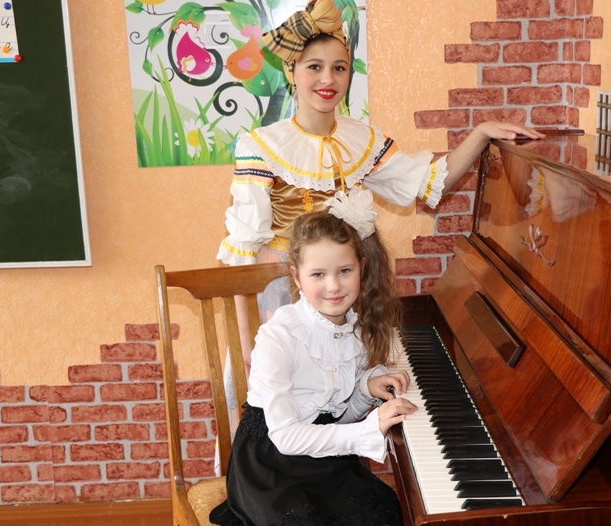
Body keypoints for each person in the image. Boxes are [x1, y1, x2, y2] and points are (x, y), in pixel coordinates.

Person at [216, 0, 545, 380]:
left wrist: (481, 133)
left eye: (339, 68)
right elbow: (241, 254)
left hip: (348, 291)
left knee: (352, 391)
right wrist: (246, 342)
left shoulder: (362, 139)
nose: (328, 79)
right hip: (284, 295)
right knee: (291, 401)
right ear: (291, 71)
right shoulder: (262, 146)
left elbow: (428, 182)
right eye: (314, 67)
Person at [210, 197, 418, 526]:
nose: (333, 286)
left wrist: (364, 390)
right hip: (270, 463)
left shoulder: (354, 330)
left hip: (321, 457)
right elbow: (286, 437)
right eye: (318, 274)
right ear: (297, 276)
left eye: (344, 271)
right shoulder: (279, 336)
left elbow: (337, 416)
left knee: (382, 513)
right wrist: (368, 429)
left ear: (362, 268)